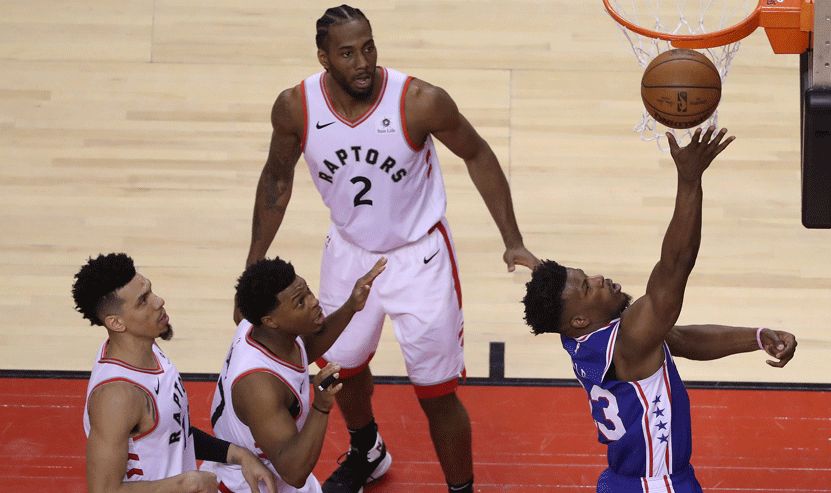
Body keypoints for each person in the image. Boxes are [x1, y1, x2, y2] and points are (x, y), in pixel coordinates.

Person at [241, 5, 539, 493]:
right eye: (347, 53)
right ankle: (368, 451)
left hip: (419, 258)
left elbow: (478, 152)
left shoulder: (419, 101)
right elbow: (276, 176)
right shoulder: (296, 107)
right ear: (323, 58)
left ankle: (462, 489)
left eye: (369, 47)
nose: (363, 62)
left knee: (436, 393)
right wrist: (254, 260)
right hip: (349, 250)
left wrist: (513, 240)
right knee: (341, 368)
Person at [521, 128, 798, 491]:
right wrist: (689, 180)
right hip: (657, 485)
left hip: (619, 481)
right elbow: (676, 265)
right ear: (578, 319)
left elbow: (679, 339)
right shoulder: (629, 340)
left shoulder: (588, 340)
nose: (600, 278)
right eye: (588, 286)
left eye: (587, 274)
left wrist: (757, 338)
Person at [73, 253, 277, 493]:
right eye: (143, 301)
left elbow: (173, 431)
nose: (158, 301)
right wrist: (186, 484)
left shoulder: (146, 348)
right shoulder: (117, 397)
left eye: (151, 291)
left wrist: (238, 455)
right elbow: (103, 490)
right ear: (116, 323)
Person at [203, 257, 386, 493]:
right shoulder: (258, 387)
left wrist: (351, 306)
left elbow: (303, 349)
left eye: (308, 291)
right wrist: (320, 406)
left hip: (274, 467)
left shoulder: (262, 329)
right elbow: (295, 473)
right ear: (271, 321)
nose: (314, 302)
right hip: (252, 484)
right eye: (300, 303)